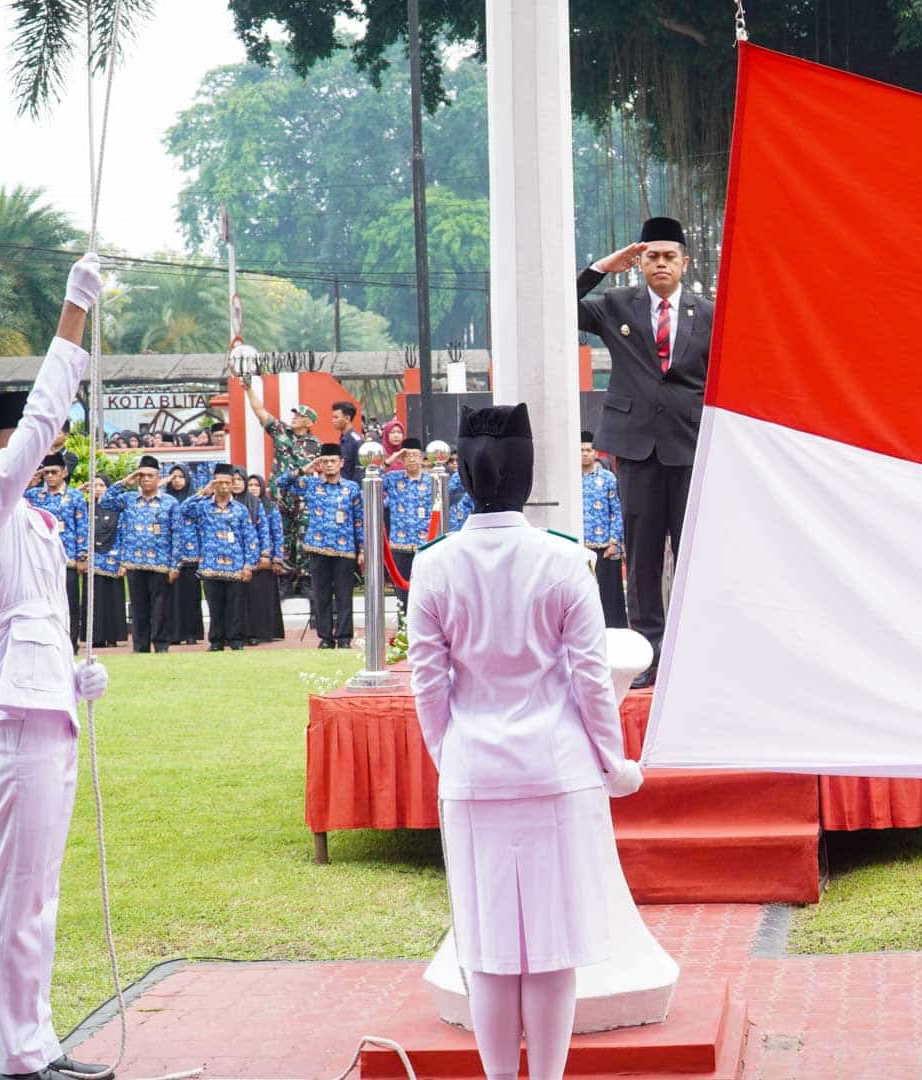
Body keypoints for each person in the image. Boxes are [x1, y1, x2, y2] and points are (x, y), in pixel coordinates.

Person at [407, 403, 644, 1080]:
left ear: (462, 473)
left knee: (485, 948)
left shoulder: (434, 565)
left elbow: (429, 687)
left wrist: (452, 757)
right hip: (554, 767)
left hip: (474, 769)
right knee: (550, 945)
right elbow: (591, 682)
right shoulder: (564, 560)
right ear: (528, 475)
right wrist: (615, 764)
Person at [0, 253, 111, 1080]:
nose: (34, 446)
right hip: (12, 723)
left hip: (45, 711)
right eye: (16, 437)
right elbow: (46, 417)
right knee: (11, 900)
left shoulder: (37, 527)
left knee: (38, 899)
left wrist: (73, 676)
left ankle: (38, 1043)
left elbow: (41, 621)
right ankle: (16, 1057)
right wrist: (73, 317)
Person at [578, 215, 714, 688]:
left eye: (669, 257)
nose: (661, 264)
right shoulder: (617, 303)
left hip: (691, 444)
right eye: (651, 257)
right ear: (640, 263)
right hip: (636, 448)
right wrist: (601, 267)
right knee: (643, 555)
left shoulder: (710, 313)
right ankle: (649, 655)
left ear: (684, 262)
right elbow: (558, 306)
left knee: (694, 551)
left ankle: (693, 653)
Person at [241, 380, 321, 590]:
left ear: (310, 423)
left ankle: (304, 578)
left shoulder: (317, 445)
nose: (294, 418)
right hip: (280, 494)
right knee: (282, 534)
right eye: (294, 414)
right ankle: (284, 577)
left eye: (299, 416)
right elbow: (260, 411)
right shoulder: (281, 432)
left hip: (303, 497)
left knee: (303, 534)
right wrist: (248, 389)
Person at [282, 444, 363, 649]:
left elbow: (358, 520)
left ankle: (344, 637)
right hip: (318, 548)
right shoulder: (311, 485)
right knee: (321, 594)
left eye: (333, 461)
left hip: (344, 549)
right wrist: (305, 468)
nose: (329, 465)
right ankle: (325, 637)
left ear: (341, 463)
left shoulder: (352, 487)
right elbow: (282, 482)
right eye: (325, 461)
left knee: (344, 595)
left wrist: (362, 548)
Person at [100, 456, 179, 654]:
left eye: (150, 476)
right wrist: (126, 482)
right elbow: (104, 501)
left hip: (160, 563)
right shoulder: (128, 499)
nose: (145, 480)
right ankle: (140, 647)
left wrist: (175, 564)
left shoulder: (169, 502)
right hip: (134, 562)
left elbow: (177, 534)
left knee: (160, 608)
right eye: (141, 476)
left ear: (158, 477)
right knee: (138, 608)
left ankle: (161, 646)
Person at [179, 463, 258, 651]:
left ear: (232, 485)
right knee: (215, 607)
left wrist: (249, 564)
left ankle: (236, 640)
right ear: (214, 483)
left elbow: (249, 538)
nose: (223, 486)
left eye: (227, 483)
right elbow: (183, 510)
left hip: (236, 565)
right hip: (210, 564)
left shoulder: (240, 509)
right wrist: (203, 492)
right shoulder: (203, 506)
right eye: (219, 483)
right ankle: (216, 641)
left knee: (235, 606)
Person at [25, 453, 88, 643]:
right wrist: (29, 482)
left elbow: (82, 527)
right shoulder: (34, 495)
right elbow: (12, 501)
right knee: (43, 603)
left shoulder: (75, 496)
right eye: (47, 473)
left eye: (54, 472)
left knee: (69, 603)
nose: (50, 476)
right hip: (40, 558)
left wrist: (82, 556)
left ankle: (71, 642)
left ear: (64, 472)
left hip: (66, 557)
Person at [578, 432, 627, 629]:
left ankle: (614, 632)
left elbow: (616, 510)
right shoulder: (570, 479)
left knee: (610, 596)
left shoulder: (608, 478)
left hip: (605, 547)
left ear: (595, 452)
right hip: (579, 547)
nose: (584, 454)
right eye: (580, 450)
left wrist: (615, 542)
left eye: (588, 450)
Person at [384, 436, 432, 615]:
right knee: (402, 594)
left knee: (427, 592)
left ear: (421, 457)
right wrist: (393, 457)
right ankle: (404, 632)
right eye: (407, 456)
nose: (411, 459)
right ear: (402, 460)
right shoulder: (393, 478)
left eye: (415, 455)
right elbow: (372, 478)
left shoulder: (432, 480)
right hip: (400, 544)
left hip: (427, 545)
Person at [237, 471, 283, 644]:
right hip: (244, 559)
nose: (253, 488)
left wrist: (276, 558)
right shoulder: (242, 505)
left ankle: (264, 631)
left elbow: (276, 533)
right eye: (250, 485)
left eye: (257, 485)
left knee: (262, 597)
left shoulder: (270, 507)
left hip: (265, 558)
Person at [164, 464, 205, 645]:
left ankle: (191, 633)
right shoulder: (163, 500)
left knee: (191, 596)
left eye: (181, 476)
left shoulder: (196, 501)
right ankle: (173, 633)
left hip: (191, 555)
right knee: (170, 597)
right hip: (168, 555)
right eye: (174, 477)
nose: (177, 480)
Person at [87, 475, 128, 649]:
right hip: (92, 561)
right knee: (94, 599)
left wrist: (123, 561)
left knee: (112, 599)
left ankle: (112, 636)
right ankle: (95, 637)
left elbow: (124, 534)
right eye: (94, 485)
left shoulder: (117, 509)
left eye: (102, 485)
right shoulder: (85, 508)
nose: (98, 488)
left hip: (113, 560)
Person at [333, 400, 363, 483]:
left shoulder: (357, 441)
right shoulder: (342, 439)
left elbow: (360, 472)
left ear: (347, 418)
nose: (333, 420)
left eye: (336, 417)